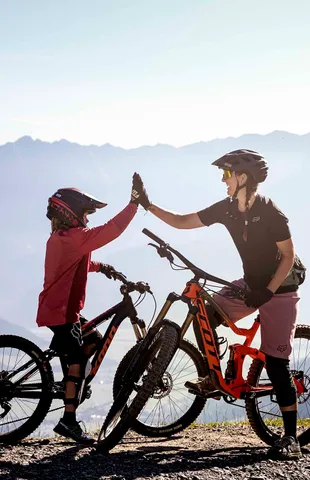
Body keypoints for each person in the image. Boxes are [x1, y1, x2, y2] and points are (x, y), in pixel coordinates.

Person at [133, 151, 305, 460]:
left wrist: (267, 291)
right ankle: (216, 377)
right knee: (206, 311)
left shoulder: (270, 212)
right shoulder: (227, 209)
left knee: (276, 364)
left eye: (226, 175)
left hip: (280, 289)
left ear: (243, 178)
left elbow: (289, 255)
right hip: (250, 285)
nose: (222, 180)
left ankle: (291, 438)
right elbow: (182, 221)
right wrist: (147, 205)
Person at [36, 173, 145, 443]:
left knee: (92, 339)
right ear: (70, 213)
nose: (87, 221)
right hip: (62, 312)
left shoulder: (62, 238)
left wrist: (102, 267)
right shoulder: (75, 238)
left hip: (60, 309)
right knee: (78, 360)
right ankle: (68, 421)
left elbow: (73, 263)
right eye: (85, 215)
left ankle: (70, 386)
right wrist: (133, 204)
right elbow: (111, 230)